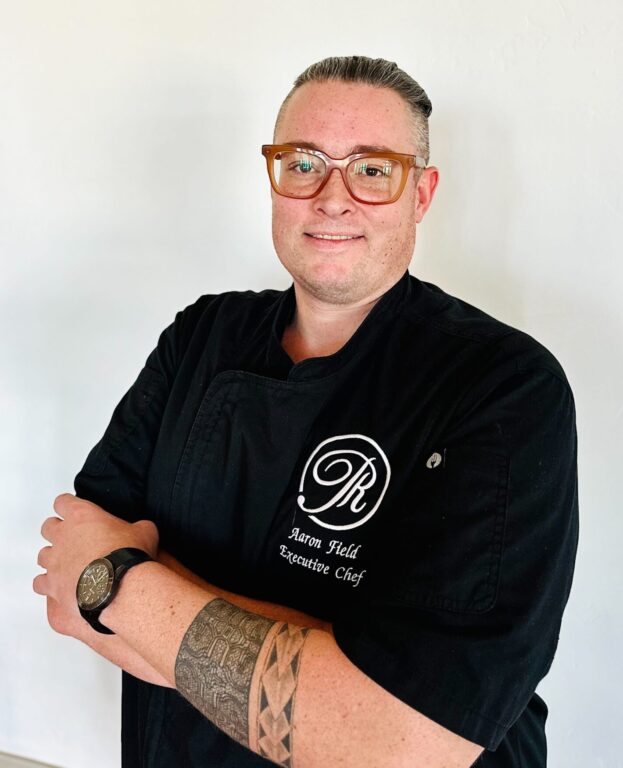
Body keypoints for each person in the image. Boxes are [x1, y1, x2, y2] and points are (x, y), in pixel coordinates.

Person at [33, 56, 578, 768]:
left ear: (420, 194)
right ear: (275, 179)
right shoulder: (200, 336)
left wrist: (126, 587)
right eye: (303, 164)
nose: (332, 198)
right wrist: (325, 673)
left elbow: (399, 741)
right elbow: (68, 581)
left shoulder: (505, 385)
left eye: (372, 169)